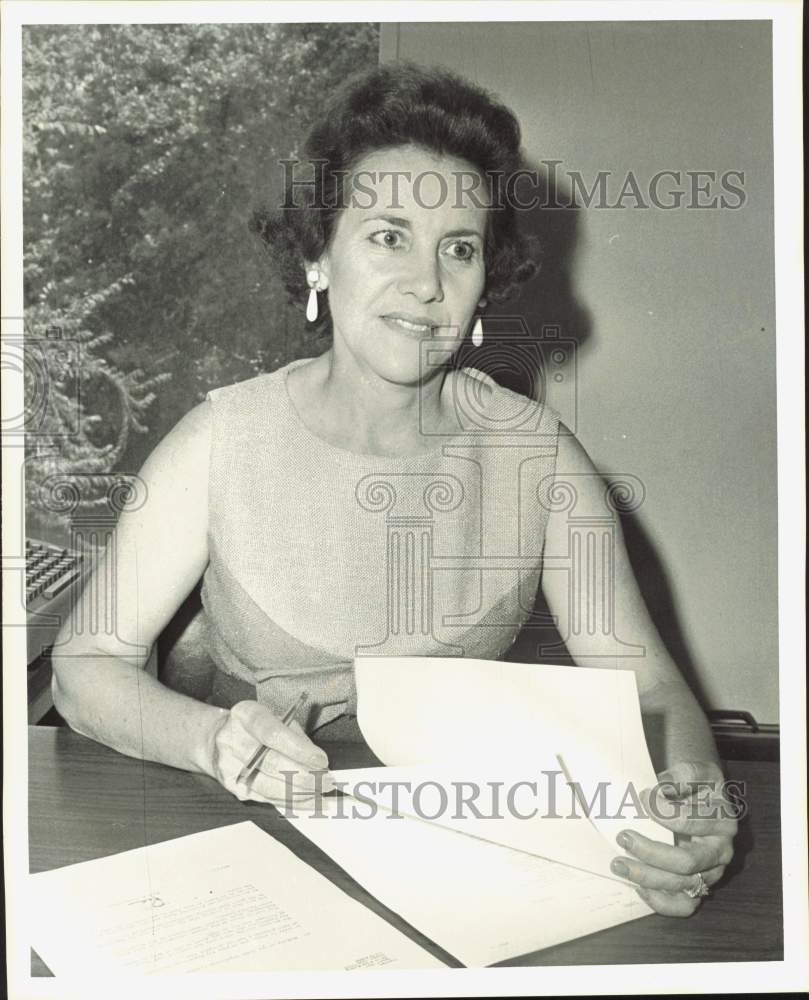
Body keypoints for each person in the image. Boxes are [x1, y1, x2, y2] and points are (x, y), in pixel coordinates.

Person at [51, 62, 736, 917]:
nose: (426, 283)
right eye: (388, 236)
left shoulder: (540, 457)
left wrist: (695, 798)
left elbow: (650, 690)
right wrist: (211, 742)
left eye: (459, 248)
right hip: (252, 848)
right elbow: (84, 667)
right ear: (317, 256)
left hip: (478, 855)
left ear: (486, 281)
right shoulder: (217, 443)